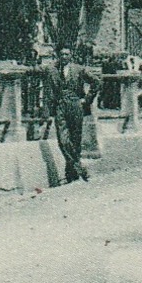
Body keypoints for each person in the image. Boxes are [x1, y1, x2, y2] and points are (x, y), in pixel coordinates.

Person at [47, 48, 90, 182]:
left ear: (71, 56)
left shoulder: (79, 69)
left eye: (67, 54)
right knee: (63, 140)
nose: (64, 57)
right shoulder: (52, 70)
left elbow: (97, 82)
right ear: (58, 56)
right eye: (62, 54)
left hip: (76, 105)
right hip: (60, 106)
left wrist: (87, 99)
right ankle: (79, 166)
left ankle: (71, 174)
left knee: (76, 140)